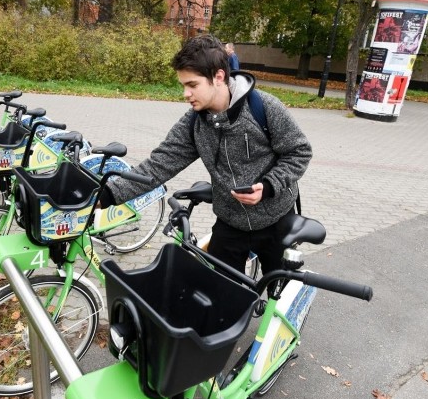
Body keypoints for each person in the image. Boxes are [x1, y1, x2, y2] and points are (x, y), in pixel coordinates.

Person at [99, 34, 312, 275]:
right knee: (222, 299)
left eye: (192, 85)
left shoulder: (264, 107)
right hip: (230, 224)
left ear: (218, 77)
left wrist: (269, 186)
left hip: (277, 219)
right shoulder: (194, 123)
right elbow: (158, 165)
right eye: (183, 86)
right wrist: (106, 195)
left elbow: (299, 152)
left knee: (280, 295)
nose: (185, 94)